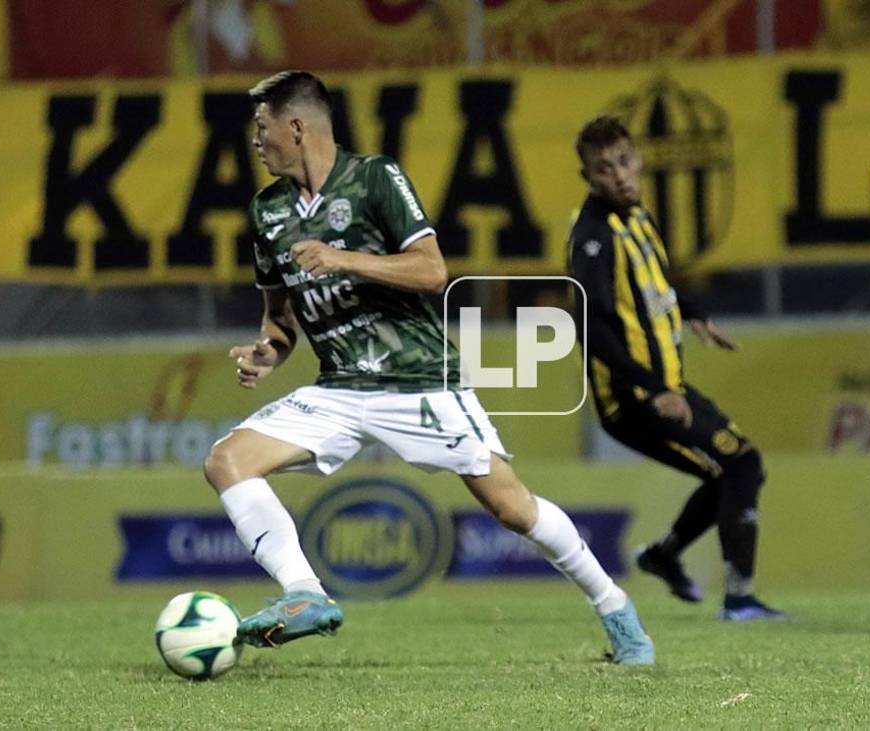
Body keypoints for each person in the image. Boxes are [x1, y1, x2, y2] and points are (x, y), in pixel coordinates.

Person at [203, 71, 655, 664]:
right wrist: (270, 350)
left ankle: (617, 611)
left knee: (511, 506)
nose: (256, 141)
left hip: (416, 378)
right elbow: (280, 316)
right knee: (227, 460)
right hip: (339, 387)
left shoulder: (374, 179)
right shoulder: (267, 213)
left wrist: (343, 257)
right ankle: (304, 595)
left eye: (262, 129)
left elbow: (432, 271)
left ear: (297, 126)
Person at [566, 116, 784, 621]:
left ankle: (664, 556)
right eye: (603, 169)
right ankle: (739, 599)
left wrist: (694, 312)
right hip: (633, 399)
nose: (617, 175)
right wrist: (649, 390)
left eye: (623, 162)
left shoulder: (638, 217)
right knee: (742, 466)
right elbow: (590, 326)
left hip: (667, 387)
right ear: (588, 178)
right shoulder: (593, 237)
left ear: (638, 159)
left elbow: (655, 280)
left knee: (729, 472)